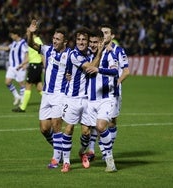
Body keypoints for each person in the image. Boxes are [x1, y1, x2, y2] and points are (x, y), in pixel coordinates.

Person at [27, 19, 71, 168]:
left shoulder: (70, 55)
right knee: (44, 128)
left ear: (65, 41)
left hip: (60, 95)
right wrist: (30, 33)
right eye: (53, 38)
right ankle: (59, 149)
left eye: (58, 39)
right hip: (46, 94)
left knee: (56, 126)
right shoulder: (48, 50)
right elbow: (30, 44)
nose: (54, 41)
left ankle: (55, 158)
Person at [60, 28, 104, 173]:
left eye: (84, 40)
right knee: (69, 128)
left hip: (86, 99)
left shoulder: (91, 54)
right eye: (79, 39)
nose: (81, 42)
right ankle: (66, 162)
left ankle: (81, 152)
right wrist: (100, 52)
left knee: (86, 132)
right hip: (72, 98)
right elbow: (91, 68)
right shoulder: (74, 54)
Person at [86, 24, 130, 161]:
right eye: (102, 33)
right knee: (96, 123)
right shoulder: (93, 50)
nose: (104, 35)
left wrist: (118, 81)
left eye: (106, 32)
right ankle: (93, 149)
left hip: (112, 90)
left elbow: (126, 71)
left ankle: (107, 148)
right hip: (95, 91)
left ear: (112, 36)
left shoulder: (117, 51)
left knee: (111, 122)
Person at [85, 29, 119, 172]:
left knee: (100, 126)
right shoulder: (85, 54)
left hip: (106, 97)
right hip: (89, 99)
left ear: (101, 42)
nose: (92, 45)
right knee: (87, 132)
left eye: (95, 42)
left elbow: (115, 71)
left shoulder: (109, 53)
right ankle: (93, 152)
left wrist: (99, 70)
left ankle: (109, 160)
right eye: (91, 42)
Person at [0, 26, 28, 107]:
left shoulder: (23, 43)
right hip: (12, 67)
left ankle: (22, 100)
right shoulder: (14, 43)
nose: (11, 36)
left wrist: (24, 64)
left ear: (16, 35)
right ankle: (17, 96)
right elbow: (7, 48)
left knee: (21, 84)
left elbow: (27, 54)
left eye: (12, 35)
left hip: (20, 67)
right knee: (7, 82)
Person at [12, 29, 44, 113]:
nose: (26, 33)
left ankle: (22, 107)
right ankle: (50, 105)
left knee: (28, 86)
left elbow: (43, 54)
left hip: (35, 66)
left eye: (28, 31)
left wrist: (45, 67)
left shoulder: (37, 41)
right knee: (39, 88)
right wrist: (22, 64)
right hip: (35, 66)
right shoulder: (32, 41)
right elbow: (31, 56)